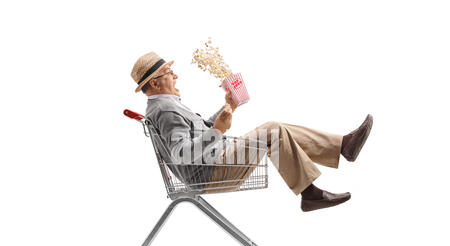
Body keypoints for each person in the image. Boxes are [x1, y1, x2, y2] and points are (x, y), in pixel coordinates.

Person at [130, 52, 373, 212]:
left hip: (214, 161)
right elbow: (181, 153)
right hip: (210, 171)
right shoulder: (164, 110)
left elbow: (201, 128)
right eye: (169, 73)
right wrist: (216, 131)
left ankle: (340, 150)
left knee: (278, 130)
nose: (175, 75)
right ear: (154, 82)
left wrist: (229, 107)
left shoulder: (166, 104)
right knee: (272, 131)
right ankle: (318, 180)